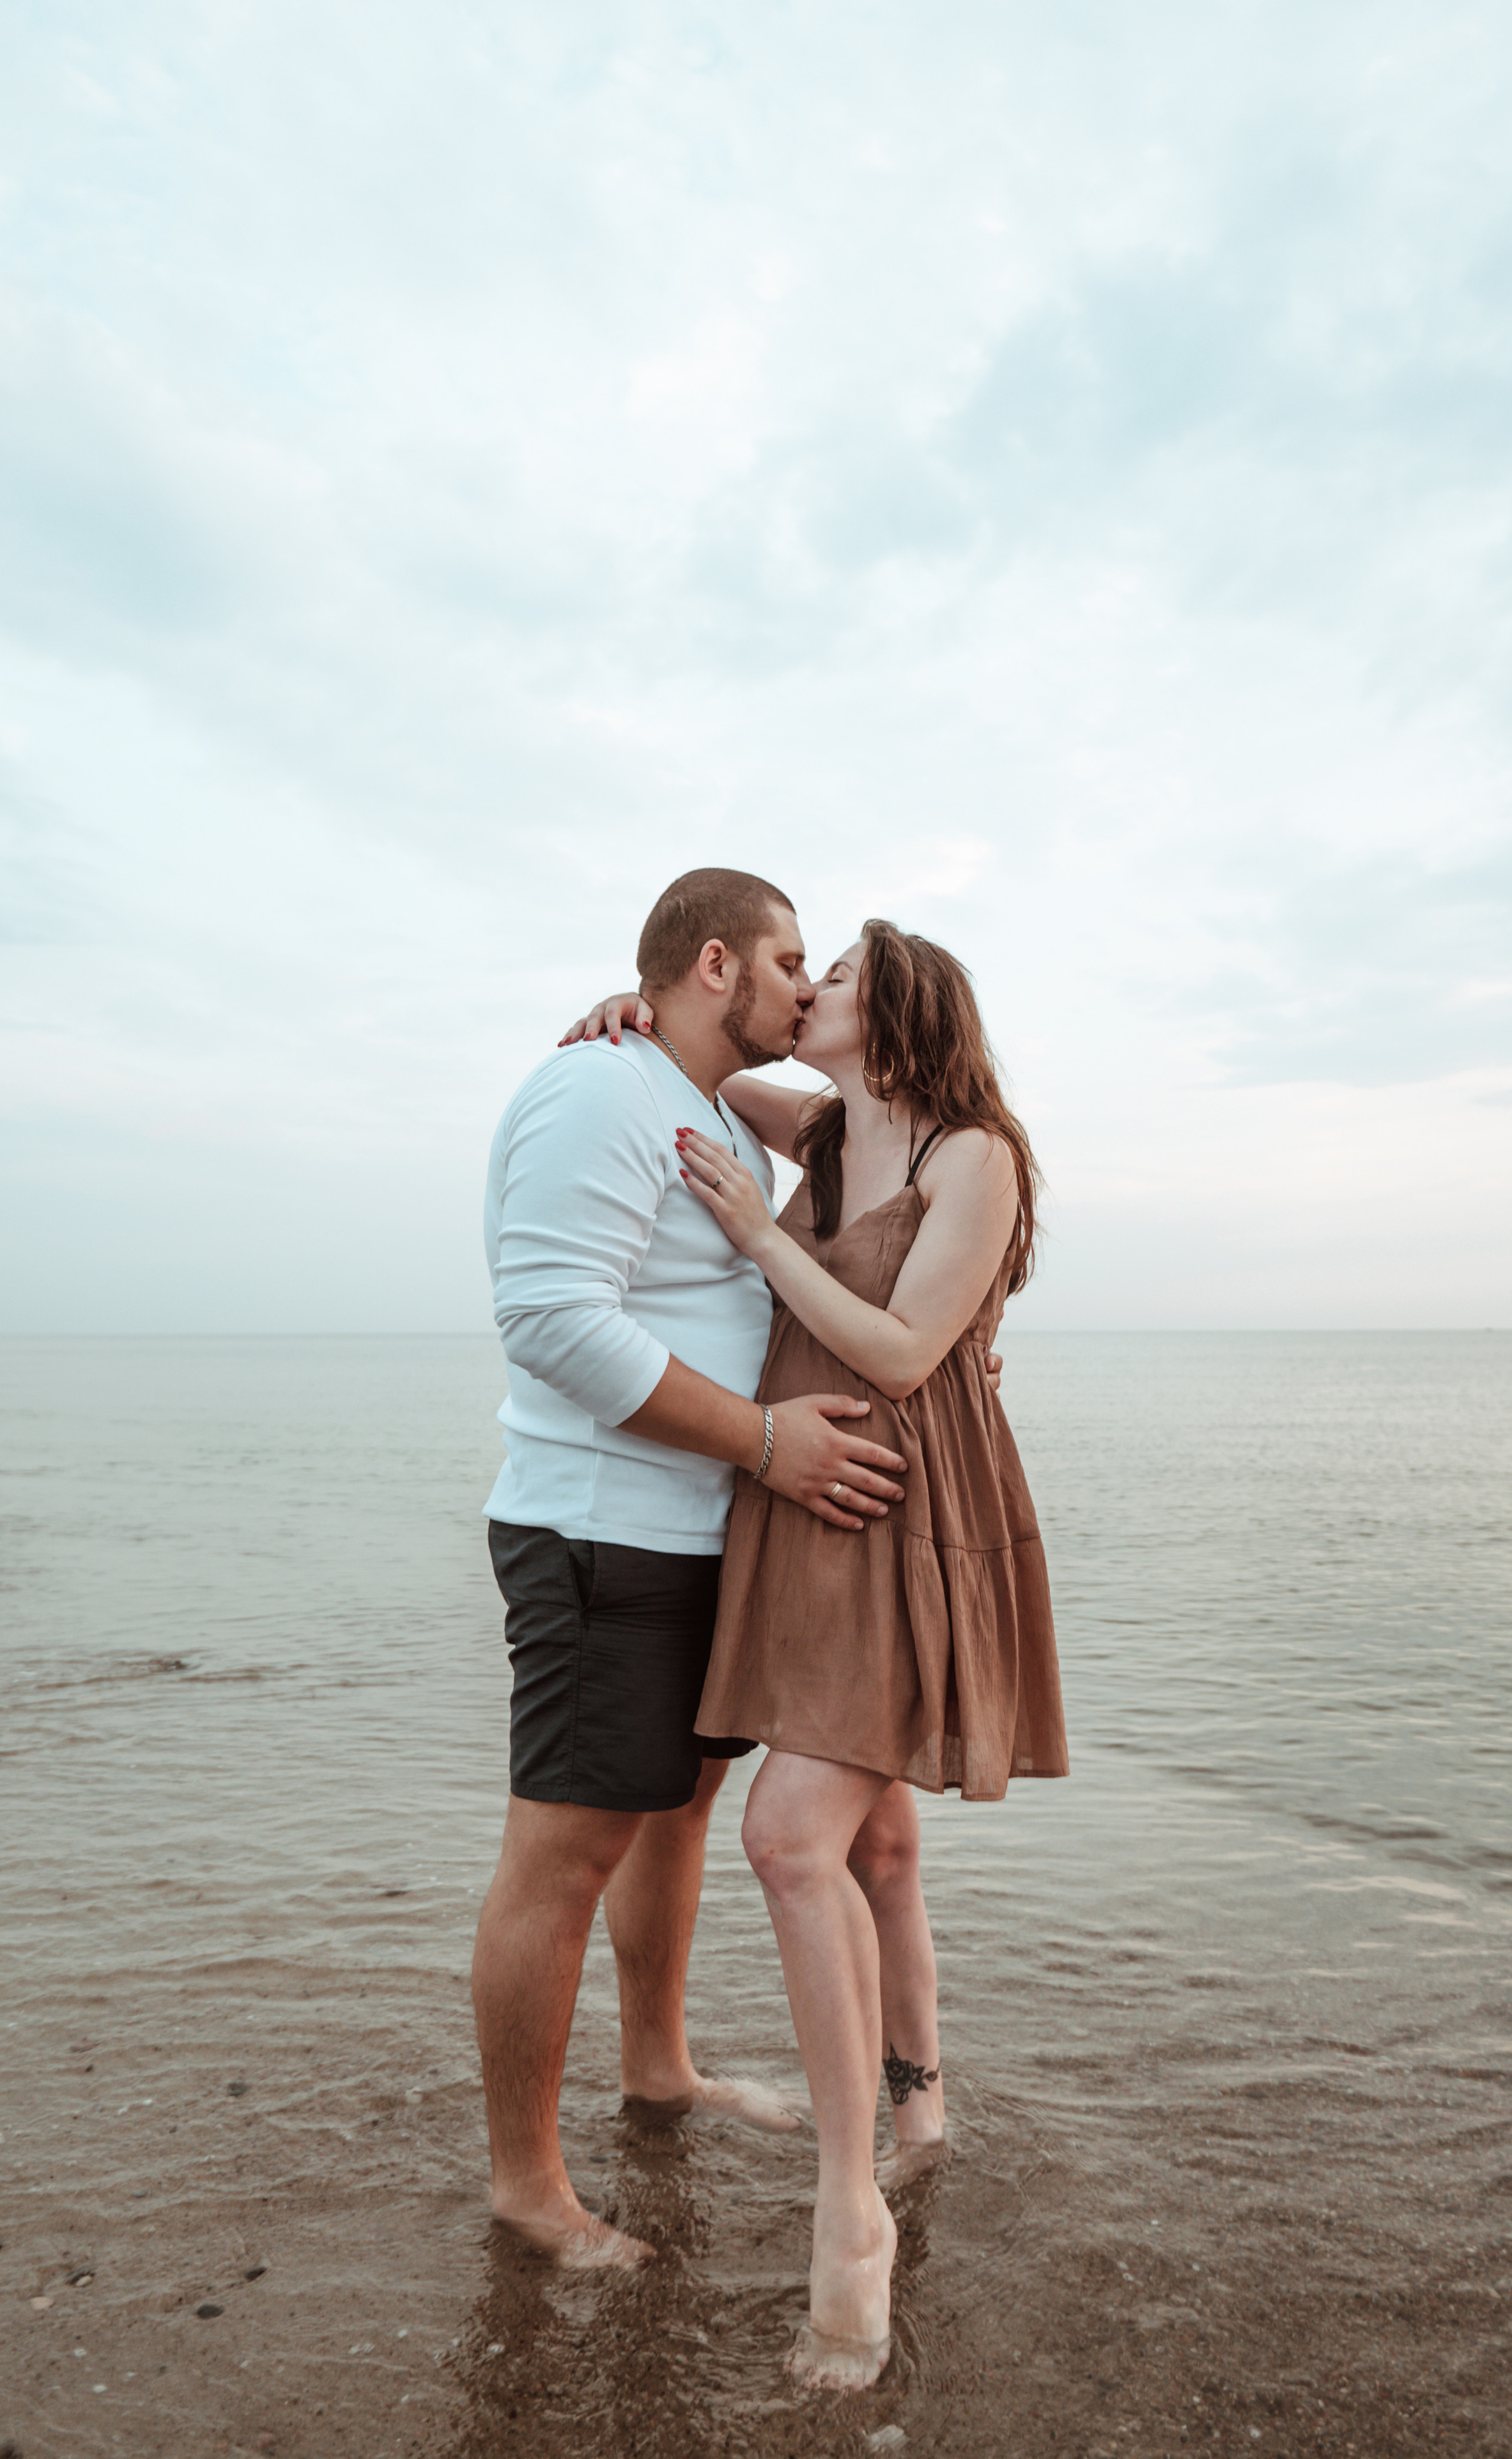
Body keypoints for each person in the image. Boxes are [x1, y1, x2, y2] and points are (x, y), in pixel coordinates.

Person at [572, 920, 1067, 2387]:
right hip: (806, 1497)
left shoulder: (971, 1153)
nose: (808, 994)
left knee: (794, 1835)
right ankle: (920, 2111)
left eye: (833, 977)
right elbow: (712, 1073)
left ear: (895, 1009)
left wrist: (756, 1233)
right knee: (879, 1848)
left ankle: (849, 2213)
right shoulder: (821, 1121)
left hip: (901, 1494)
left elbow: (909, 1353)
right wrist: (632, 1009)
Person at [475, 868, 920, 2270]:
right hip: (602, 1528)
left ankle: (657, 2067)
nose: (806, 986)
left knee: (673, 1813)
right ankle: (527, 2186)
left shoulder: (701, 1098)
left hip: (700, 1534)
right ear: (717, 963)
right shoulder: (593, 1094)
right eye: (791, 959)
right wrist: (764, 1442)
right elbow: (550, 1320)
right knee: (564, 1846)